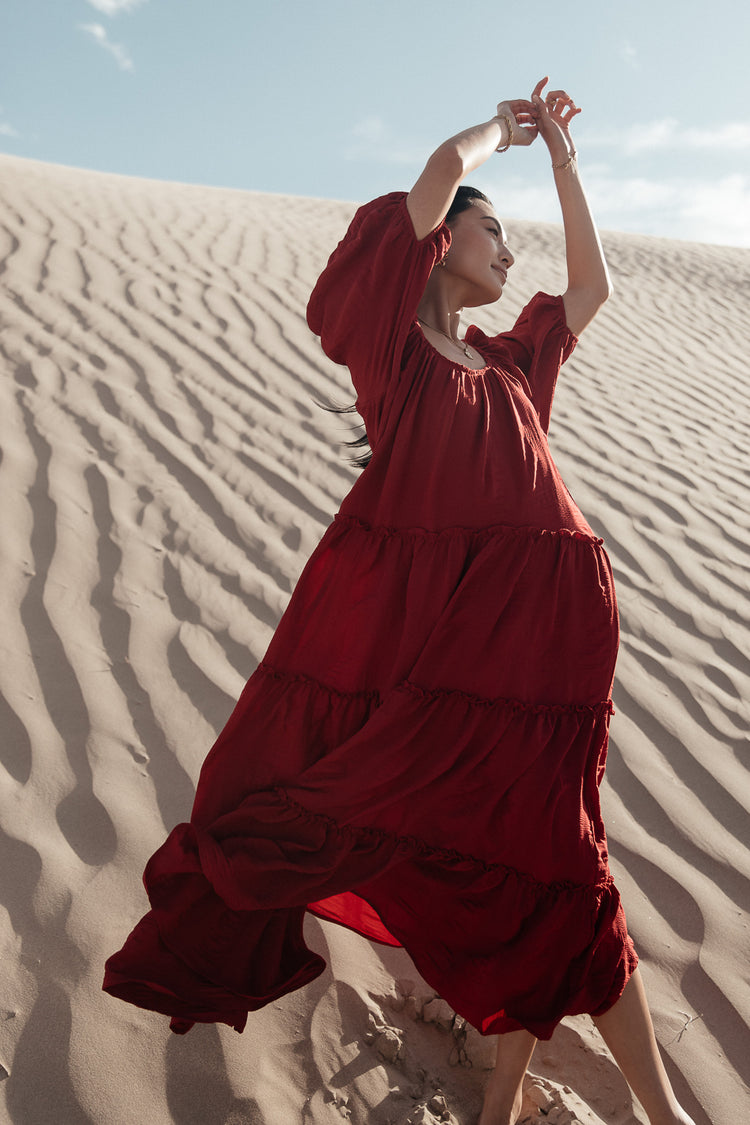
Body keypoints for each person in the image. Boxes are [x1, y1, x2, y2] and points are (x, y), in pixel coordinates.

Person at [103, 78, 699, 1125]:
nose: (511, 254)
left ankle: (509, 1098)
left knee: (546, 857)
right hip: (477, 665)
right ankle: (644, 1113)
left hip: (553, 647)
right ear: (441, 246)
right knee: (547, 866)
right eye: (493, 233)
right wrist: (496, 133)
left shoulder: (511, 365)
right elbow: (431, 183)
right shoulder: (403, 362)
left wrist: (563, 156)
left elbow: (593, 289)